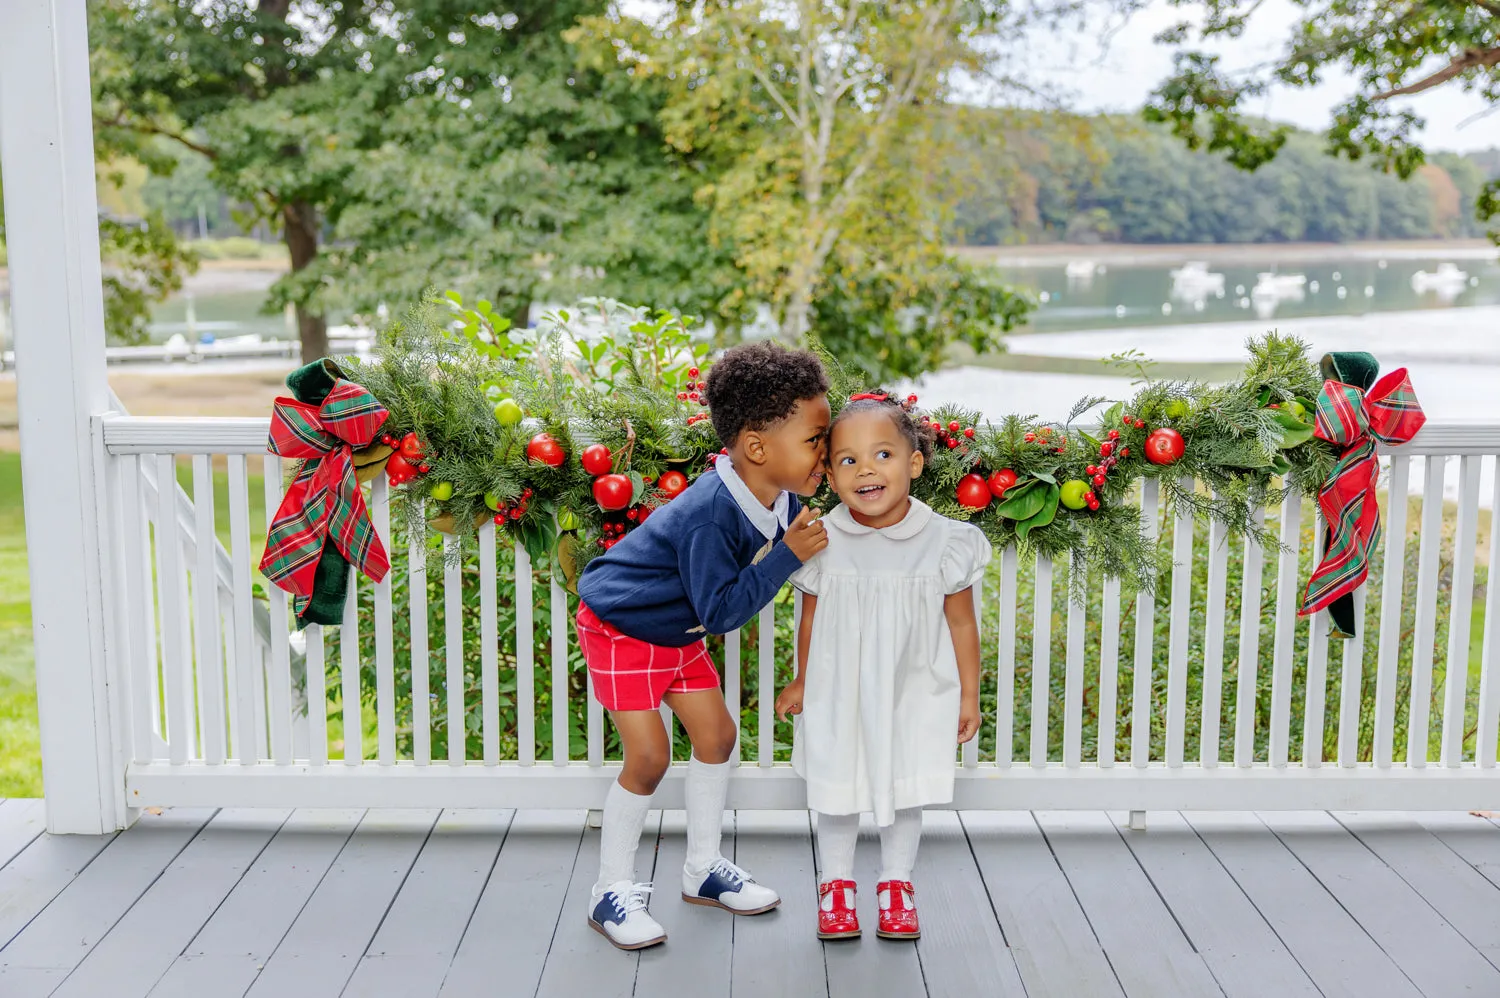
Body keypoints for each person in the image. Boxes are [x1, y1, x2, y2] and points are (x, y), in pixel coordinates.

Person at [575, 342, 832, 951]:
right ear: (757, 448)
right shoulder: (711, 514)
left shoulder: (779, 493)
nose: (827, 452)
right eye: (817, 439)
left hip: (677, 627)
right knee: (649, 759)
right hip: (624, 626)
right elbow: (721, 612)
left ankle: (703, 870)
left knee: (716, 738)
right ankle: (610, 891)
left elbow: (799, 535)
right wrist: (790, 556)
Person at [774, 392, 989, 941]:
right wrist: (802, 678)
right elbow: (810, 617)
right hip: (839, 683)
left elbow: (962, 624)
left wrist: (968, 694)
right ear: (829, 473)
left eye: (883, 455)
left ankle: (896, 882)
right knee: (837, 779)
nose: (866, 469)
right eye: (848, 460)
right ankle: (836, 885)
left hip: (914, 682)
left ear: (913, 463)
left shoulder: (944, 541)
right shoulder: (823, 540)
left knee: (907, 778)